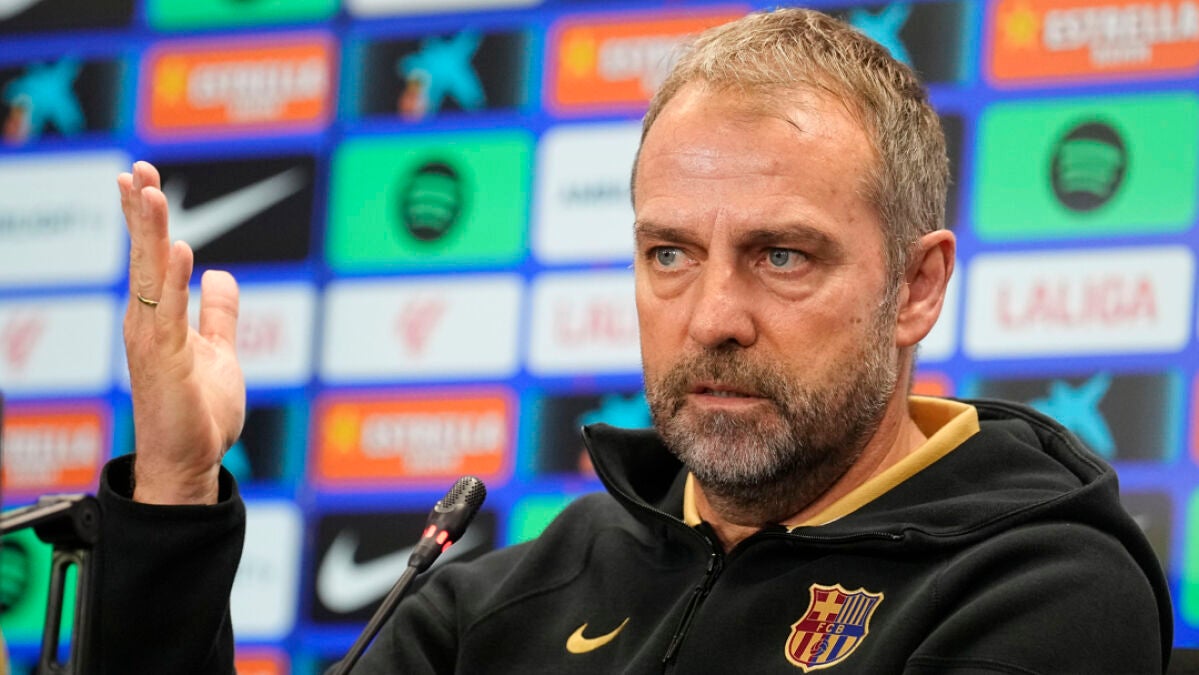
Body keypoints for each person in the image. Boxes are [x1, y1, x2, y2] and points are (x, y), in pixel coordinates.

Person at [93, 7, 1171, 674]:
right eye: (669, 253)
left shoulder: (1042, 586)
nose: (711, 317)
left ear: (914, 287)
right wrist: (175, 491)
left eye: (781, 255)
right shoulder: (511, 595)